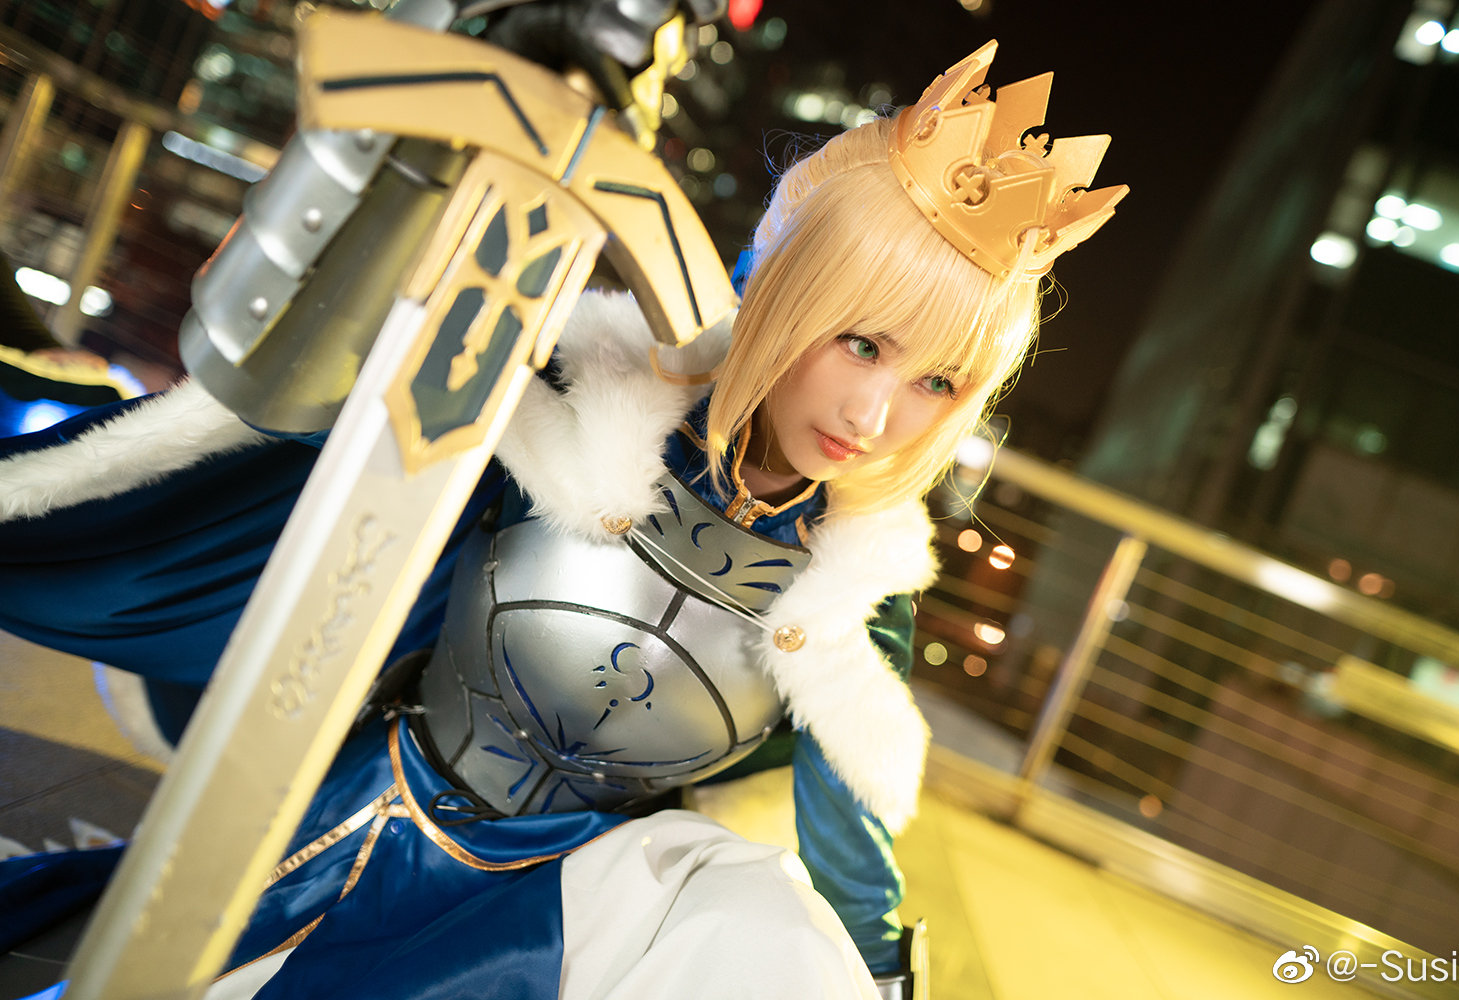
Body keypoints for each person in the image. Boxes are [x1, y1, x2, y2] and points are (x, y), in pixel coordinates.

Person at [0, 40, 1124, 999]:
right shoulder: (578, 399)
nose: (875, 416)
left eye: (936, 383)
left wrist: (881, 976)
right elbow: (343, 448)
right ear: (788, 292)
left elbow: (848, 843)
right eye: (863, 342)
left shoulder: (852, 585)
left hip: (556, 907)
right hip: (353, 804)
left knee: (765, 931)